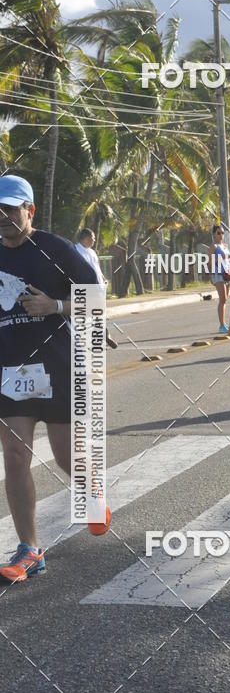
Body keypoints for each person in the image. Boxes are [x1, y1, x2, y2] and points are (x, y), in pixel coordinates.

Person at [0, 175, 111, 583]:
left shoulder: (54, 249)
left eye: (12, 208)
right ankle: (30, 548)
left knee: (68, 457)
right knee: (15, 457)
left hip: (59, 365)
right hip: (10, 370)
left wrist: (55, 305)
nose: (4, 216)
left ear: (29, 210)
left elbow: (97, 298)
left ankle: (93, 491)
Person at [75, 229, 118, 349]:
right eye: (93, 238)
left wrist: (103, 278)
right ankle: (101, 336)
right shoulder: (76, 250)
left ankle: (102, 337)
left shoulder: (92, 252)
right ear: (86, 238)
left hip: (98, 287)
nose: (94, 240)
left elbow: (96, 267)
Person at [209, 224, 230, 333]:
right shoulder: (214, 246)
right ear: (214, 234)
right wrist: (218, 257)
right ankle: (222, 325)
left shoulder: (225, 246)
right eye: (218, 233)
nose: (221, 235)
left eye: (222, 233)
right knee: (223, 299)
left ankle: (224, 323)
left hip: (227, 275)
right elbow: (209, 262)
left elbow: (228, 263)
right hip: (218, 274)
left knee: (225, 300)